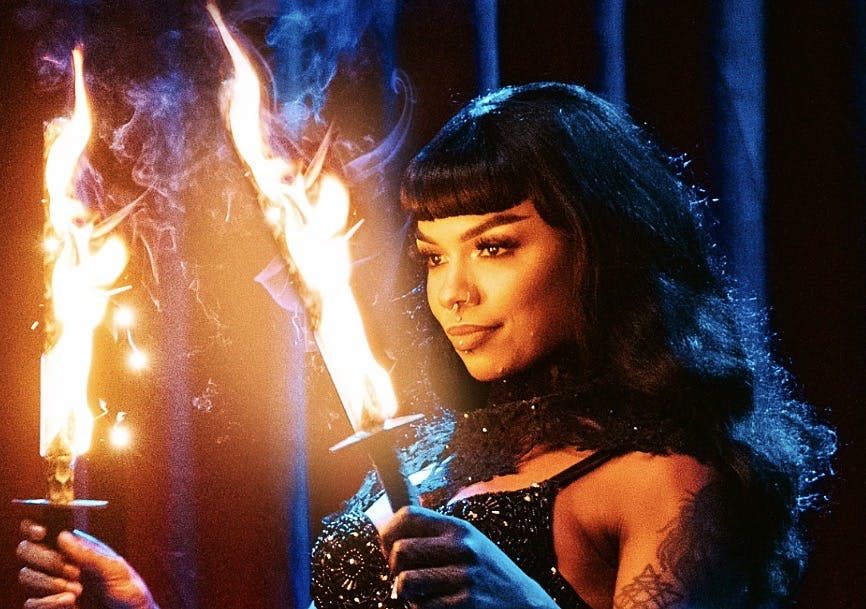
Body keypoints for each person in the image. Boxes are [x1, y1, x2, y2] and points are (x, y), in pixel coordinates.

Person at [18, 82, 835, 609]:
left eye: (495, 246)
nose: (454, 292)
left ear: (601, 248)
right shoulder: (436, 456)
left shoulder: (672, 478)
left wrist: (525, 607)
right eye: (434, 257)